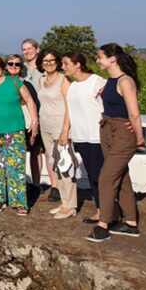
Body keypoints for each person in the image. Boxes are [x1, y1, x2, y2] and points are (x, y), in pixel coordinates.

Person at [88, 43, 144, 242]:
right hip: (107, 130)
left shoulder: (125, 81)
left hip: (122, 133)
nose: (97, 61)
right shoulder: (110, 82)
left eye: (100, 57)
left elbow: (134, 113)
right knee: (121, 177)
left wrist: (139, 137)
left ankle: (103, 224)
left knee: (106, 177)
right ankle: (130, 222)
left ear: (113, 58)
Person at [0, 55, 39, 216]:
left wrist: (35, 122)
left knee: (16, 167)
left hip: (14, 130)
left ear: (2, 66)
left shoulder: (15, 82)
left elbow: (30, 101)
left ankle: (19, 202)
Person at [58, 52, 104, 222]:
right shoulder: (74, 86)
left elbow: (106, 107)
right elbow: (70, 110)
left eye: (65, 63)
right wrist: (65, 131)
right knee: (92, 174)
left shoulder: (96, 81)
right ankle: (101, 210)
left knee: (100, 175)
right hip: (81, 137)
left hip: (97, 136)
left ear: (78, 64)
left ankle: (106, 211)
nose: (63, 67)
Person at [32, 50, 73, 218]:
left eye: (52, 60)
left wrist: (65, 130)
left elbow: (69, 107)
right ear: (41, 63)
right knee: (55, 165)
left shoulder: (64, 80)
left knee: (65, 166)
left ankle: (70, 206)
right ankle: (64, 202)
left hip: (59, 127)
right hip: (46, 127)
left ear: (57, 62)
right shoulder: (42, 80)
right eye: (45, 61)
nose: (48, 63)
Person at [6, 54, 50, 200]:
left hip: (27, 124)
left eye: (17, 64)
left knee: (35, 152)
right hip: (9, 124)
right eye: (10, 63)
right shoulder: (0, 84)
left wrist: (34, 123)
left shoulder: (27, 84)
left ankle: (35, 185)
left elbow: (34, 104)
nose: (13, 66)